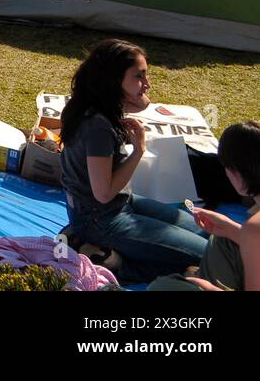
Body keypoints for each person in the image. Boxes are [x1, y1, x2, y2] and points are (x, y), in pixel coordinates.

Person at [59, 38, 208, 283]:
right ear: (113, 81)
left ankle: (105, 249)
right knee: (206, 256)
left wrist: (136, 96)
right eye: (139, 77)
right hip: (99, 218)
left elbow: (143, 104)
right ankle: (109, 261)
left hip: (122, 203)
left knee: (211, 235)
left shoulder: (99, 109)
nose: (147, 84)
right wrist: (138, 150)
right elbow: (103, 193)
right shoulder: (98, 126)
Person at [151, 120, 260, 291]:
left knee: (162, 287)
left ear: (236, 173)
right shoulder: (253, 227)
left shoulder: (255, 227)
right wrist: (232, 229)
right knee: (223, 239)